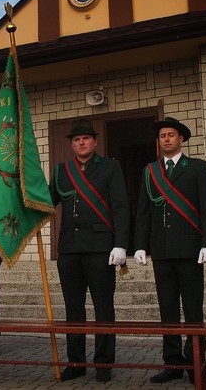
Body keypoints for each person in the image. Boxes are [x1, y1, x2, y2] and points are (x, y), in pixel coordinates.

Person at [133, 117, 206, 384]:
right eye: (162, 136)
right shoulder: (150, 171)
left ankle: (195, 363)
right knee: (167, 309)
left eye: (171, 135)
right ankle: (172, 363)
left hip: (190, 249)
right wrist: (140, 245)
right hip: (162, 250)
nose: (166, 139)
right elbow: (144, 211)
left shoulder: (198, 168)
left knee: (193, 310)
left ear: (181, 139)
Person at [48, 118, 130, 384]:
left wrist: (121, 244)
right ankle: (76, 362)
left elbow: (120, 206)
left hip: (100, 248)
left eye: (85, 138)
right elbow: (47, 201)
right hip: (69, 249)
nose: (81, 142)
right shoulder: (61, 171)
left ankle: (104, 363)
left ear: (94, 142)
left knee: (103, 307)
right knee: (73, 309)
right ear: (71, 144)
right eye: (76, 139)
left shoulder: (110, 166)